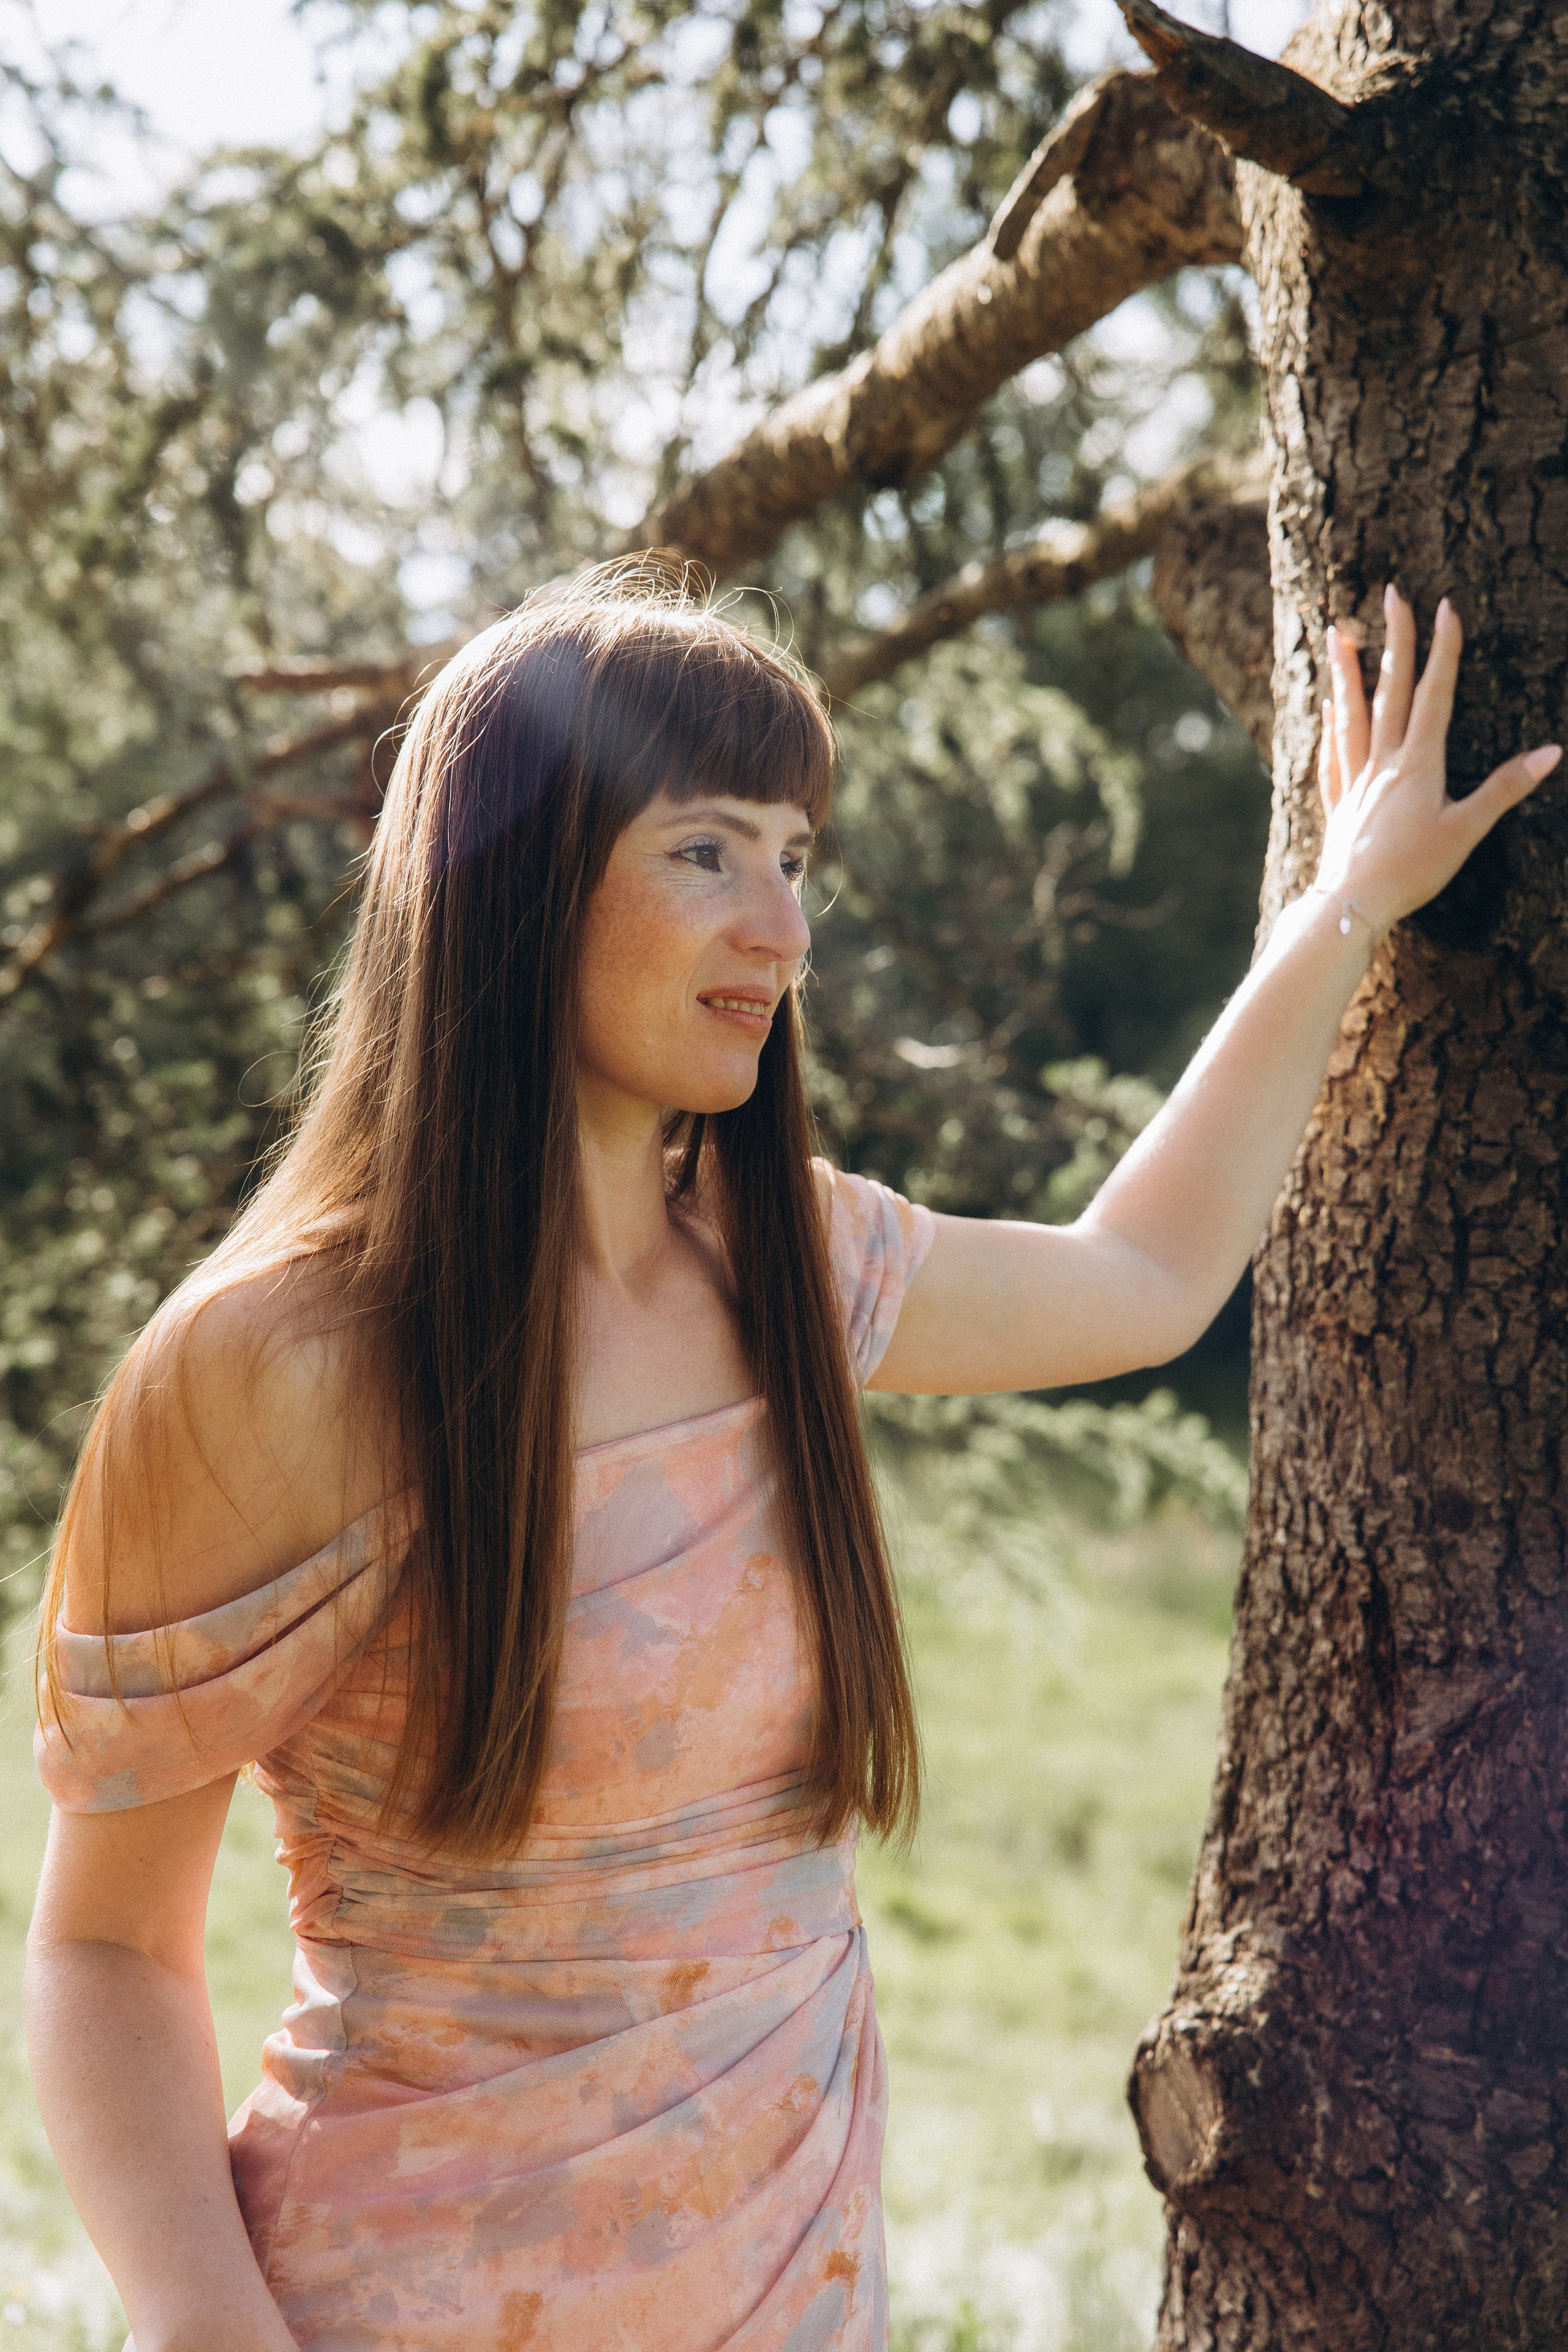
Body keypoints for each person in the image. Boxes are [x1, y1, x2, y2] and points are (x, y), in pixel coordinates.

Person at [25, 562, 1558, 2352]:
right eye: (705, 853)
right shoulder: (277, 1365)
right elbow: (105, 1951)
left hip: (788, 2294)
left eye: (794, 857)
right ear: (512, 881)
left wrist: (1349, 901)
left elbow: (1141, 1279)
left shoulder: (795, 1274)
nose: (784, 930)